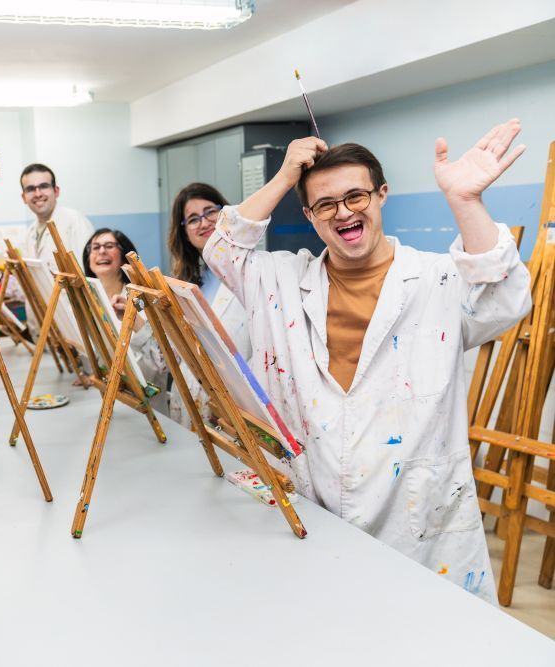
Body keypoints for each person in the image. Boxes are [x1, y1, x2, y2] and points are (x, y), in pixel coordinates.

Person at [202, 119, 531, 602]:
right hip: (312, 505)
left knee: (423, 637)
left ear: (381, 196)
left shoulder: (436, 279)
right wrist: (283, 178)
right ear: (310, 216)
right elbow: (222, 248)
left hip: (416, 519)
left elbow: (506, 299)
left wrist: (465, 201)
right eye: (325, 204)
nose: (344, 213)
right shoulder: (281, 280)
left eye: (356, 197)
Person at [167, 183, 251, 426]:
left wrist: (240, 401)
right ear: (184, 232)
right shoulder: (187, 281)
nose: (203, 223)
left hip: (239, 408)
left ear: (225, 213)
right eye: (193, 219)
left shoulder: (251, 273)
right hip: (191, 402)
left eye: (210, 212)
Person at [82, 228, 168, 412]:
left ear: (123, 256)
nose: (101, 251)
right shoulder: (84, 301)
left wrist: (135, 321)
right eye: (95, 247)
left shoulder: (144, 299)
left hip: (149, 410)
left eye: (109, 246)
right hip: (103, 405)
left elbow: (161, 364)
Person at [21, 163, 94, 272]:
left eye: (44, 186)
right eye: (30, 189)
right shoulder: (29, 233)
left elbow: (88, 271)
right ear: (24, 197)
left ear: (56, 191)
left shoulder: (75, 222)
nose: (38, 194)